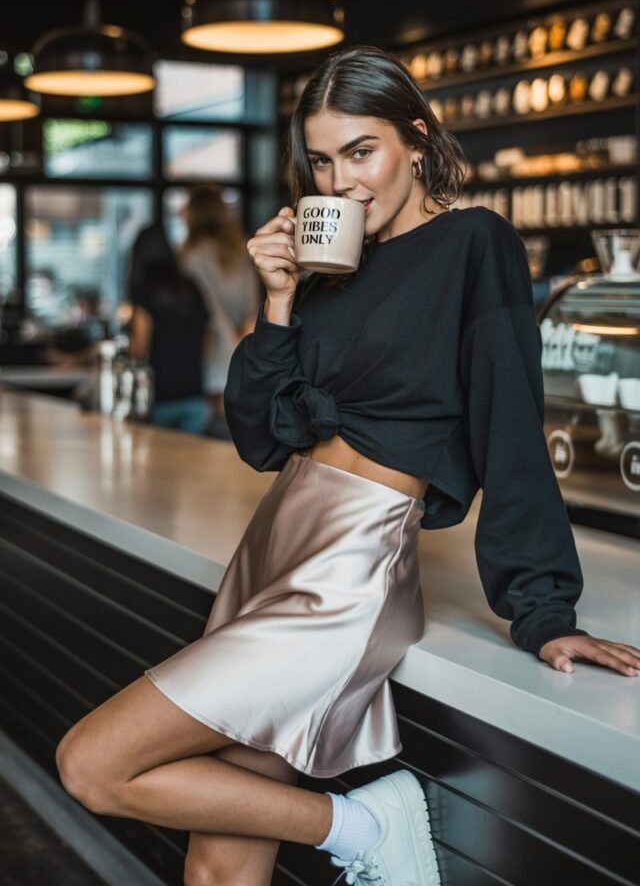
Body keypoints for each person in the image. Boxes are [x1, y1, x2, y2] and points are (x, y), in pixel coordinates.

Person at [54, 47, 640, 886]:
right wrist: (277, 301)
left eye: (361, 152)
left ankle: (364, 827)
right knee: (220, 861)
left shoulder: (474, 243)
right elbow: (261, 440)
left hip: (351, 565)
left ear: (417, 138)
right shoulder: (328, 268)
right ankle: (358, 829)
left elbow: (511, 425)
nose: (341, 182)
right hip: (272, 544)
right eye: (322, 161)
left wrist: (545, 612)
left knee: (92, 763)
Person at [180, 184, 261, 425]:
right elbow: (251, 305)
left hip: (210, 351)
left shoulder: (190, 256)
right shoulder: (241, 251)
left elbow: (205, 310)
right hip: (243, 346)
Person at [128, 224, 210, 434]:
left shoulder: (145, 289)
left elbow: (139, 348)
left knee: (157, 456)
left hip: (160, 398)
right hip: (194, 395)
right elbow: (207, 336)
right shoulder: (191, 286)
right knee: (192, 455)